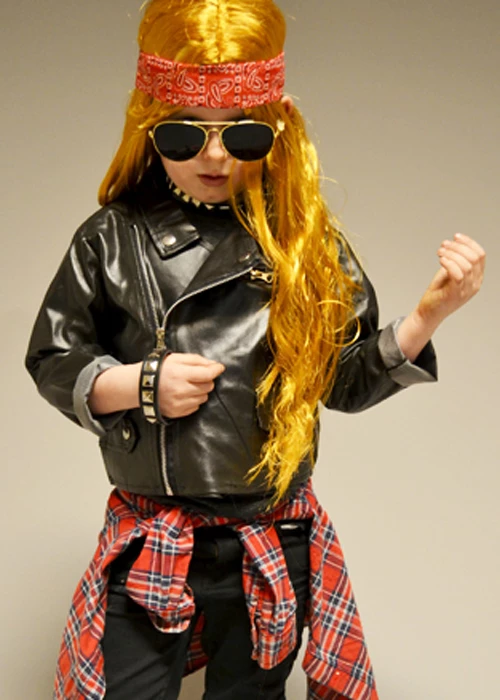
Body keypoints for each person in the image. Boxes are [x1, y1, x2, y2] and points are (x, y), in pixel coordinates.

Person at [25, 1, 485, 698]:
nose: (214, 157)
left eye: (241, 135)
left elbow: (344, 382)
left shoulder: (307, 244)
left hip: (271, 538)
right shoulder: (112, 237)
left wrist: (427, 317)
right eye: (185, 135)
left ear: (277, 129)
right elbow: (53, 356)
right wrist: (140, 385)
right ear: (149, 128)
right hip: (154, 535)